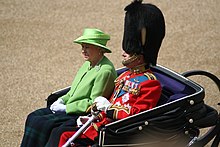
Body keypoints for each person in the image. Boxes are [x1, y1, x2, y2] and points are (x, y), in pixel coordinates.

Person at [46, 0, 166, 146]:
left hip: (115, 133)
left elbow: (136, 115)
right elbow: (109, 102)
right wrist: (95, 115)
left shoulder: (150, 84)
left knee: (62, 135)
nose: (123, 53)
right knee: (55, 130)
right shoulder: (124, 75)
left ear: (140, 55)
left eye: (128, 51)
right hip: (99, 124)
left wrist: (107, 109)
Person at [20, 28, 117, 147]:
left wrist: (66, 108)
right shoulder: (88, 64)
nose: (83, 51)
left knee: (41, 123)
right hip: (68, 107)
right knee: (33, 117)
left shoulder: (104, 71)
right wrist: (61, 100)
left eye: (87, 47)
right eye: (82, 47)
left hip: (78, 114)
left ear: (99, 49)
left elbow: (93, 103)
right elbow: (73, 91)